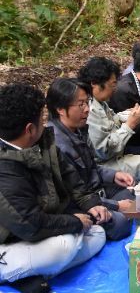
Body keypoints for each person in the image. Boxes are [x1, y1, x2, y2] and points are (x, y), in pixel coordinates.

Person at [0, 84, 106, 291]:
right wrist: (74, 222)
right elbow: (30, 225)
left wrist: (91, 203)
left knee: (98, 234)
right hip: (10, 240)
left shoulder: (42, 142)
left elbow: (71, 179)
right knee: (65, 246)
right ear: (29, 129)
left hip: (41, 228)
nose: (45, 122)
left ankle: (30, 274)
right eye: (42, 118)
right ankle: (13, 274)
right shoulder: (5, 169)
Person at [46, 78, 133, 241]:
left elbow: (91, 166)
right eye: (81, 105)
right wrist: (117, 206)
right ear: (60, 109)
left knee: (135, 195)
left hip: (97, 191)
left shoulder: (78, 130)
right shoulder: (57, 145)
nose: (87, 110)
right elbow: (75, 195)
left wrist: (113, 175)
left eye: (88, 103)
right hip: (80, 204)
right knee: (122, 223)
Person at [78, 57, 140, 179]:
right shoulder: (90, 108)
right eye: (112, 84)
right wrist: (130, 125)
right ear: (94, 83)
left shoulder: (100, 102)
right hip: (104, 165)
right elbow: (103, 152)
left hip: (116, 156)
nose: (115, 88)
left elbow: (111, 121)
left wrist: (126, 116)